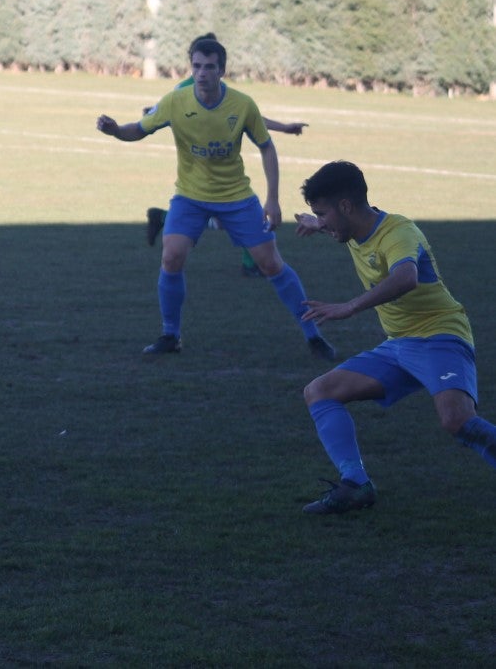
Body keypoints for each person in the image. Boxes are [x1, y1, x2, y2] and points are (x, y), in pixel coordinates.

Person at [96, 33, 334, 359]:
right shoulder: (175, 101)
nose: (202, 73)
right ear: (190, 67)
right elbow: (139, 128)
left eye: (209, 67)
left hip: (236, 197)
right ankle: (170, 336)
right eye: (196, 66)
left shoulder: (242, 104)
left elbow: (266, 147)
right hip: (190, 197)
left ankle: (314, 337)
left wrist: (273, 199)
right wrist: (115, 131)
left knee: (271, 264)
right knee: (171, 256)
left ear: (222, 70)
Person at [293, 160, 496, 514]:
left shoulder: (400, 232)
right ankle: (355, 484)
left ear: (345, 206)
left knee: (457, 421)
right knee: (319, 391)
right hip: (400, 344)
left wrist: (349, 307)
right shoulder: (353, 228)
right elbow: (341, 231)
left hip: (440, 335)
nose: (321, 221)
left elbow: (406, 278)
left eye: (322, 213)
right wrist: (318, 225)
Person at [146, 118, 311, 277]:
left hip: (213, 172)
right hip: (209, 175)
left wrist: (284, 128)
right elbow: (172, 110)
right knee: (247, 218)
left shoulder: (218, 96)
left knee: (235, 219)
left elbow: (249, 116)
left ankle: (161, 217)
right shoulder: (198, 92)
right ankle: (250, 265)